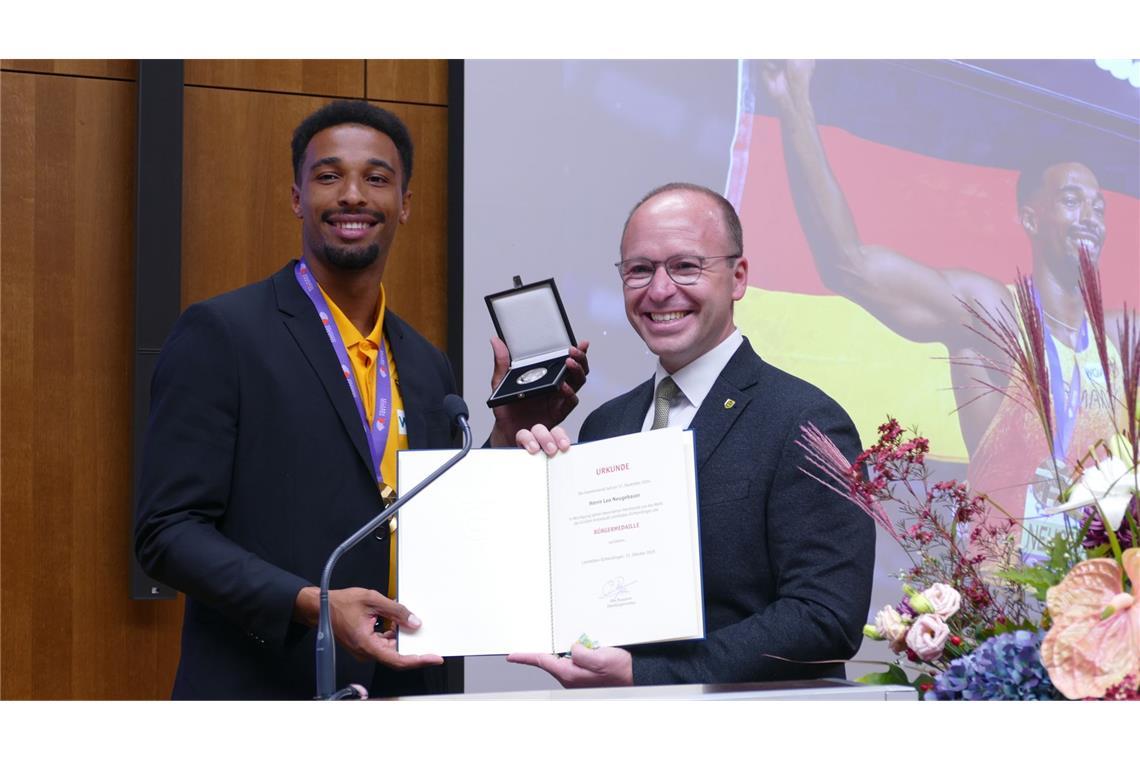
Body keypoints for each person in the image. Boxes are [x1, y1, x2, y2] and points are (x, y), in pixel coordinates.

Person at [134, 100, 587, 699]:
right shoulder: (222, 334)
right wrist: (312, 605)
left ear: (404, 203)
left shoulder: (425, 363)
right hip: (261, 696)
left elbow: (434, 527)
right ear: (298, 197)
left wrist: (505, 439)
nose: (353, 195)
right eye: (328, 176)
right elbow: (166, 533)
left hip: (406, 692)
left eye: (377, 178)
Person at [507, 183, 874, 687]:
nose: (659, 291)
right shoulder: (605, 426)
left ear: (738, 277)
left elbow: (825, 618)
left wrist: (650, 675)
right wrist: (515, 452)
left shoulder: (806, 421)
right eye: (639, 270)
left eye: (685, 266)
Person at [761, 60, 1124, 554]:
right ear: (1031, 218)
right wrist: (793, 102)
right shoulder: (993, 313)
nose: (1090, 217)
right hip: (1007, 592)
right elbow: (848, 265)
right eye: (1071, 200)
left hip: (1105, 597)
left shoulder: (1123, 340)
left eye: (1099, 207)